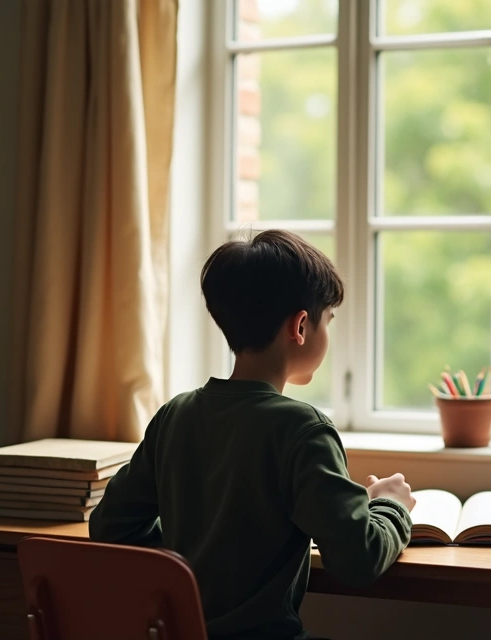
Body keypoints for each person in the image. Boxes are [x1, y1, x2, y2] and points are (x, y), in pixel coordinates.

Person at [90, 229, 416, 639]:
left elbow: (111, 527)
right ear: (300, 326)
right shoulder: (304, 429)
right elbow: (358, 559)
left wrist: (187, 554)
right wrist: (391, 507)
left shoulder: (176, 415)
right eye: (328, 320)